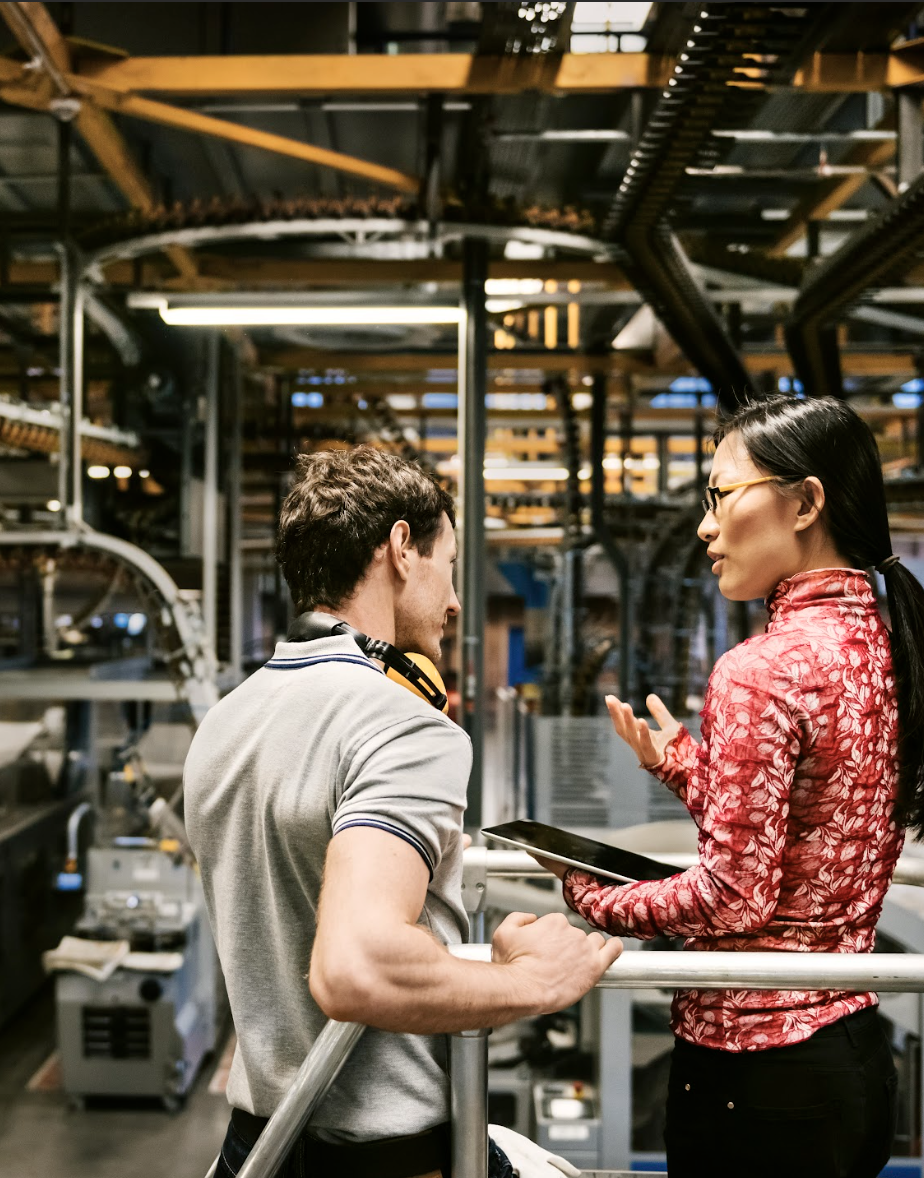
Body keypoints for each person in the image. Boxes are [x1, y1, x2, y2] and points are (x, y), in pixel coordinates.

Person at [536, 394, 924, 1178]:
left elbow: (734, 897)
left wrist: (592, 897)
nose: (705, 527)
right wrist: (682, 764)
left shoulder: (761, 670)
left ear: (804, 503)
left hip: (757, 1079)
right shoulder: (883, 647)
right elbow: (805, 835)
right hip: (850, 1060)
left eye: (720, 496)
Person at [187, 445, 623, 1178]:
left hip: (258, 1148)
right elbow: (355, 966)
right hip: (389, 1160)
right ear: (399, 549)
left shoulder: (226, 721)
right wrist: (531, 982)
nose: (454, 602)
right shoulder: (405, 728)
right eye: (447, 566)